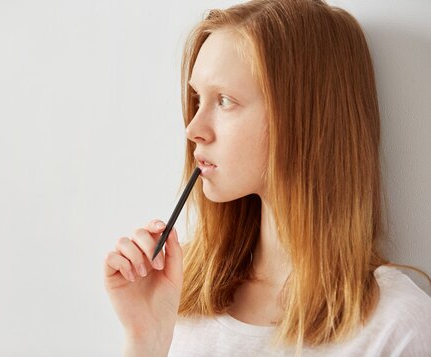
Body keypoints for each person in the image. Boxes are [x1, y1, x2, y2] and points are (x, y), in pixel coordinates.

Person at [102, 0, 431, 355]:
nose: (193, 128)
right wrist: (147, 339)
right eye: (198, 99)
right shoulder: (176, 291)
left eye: (225, 100)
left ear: (304, 120)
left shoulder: (396, 327)